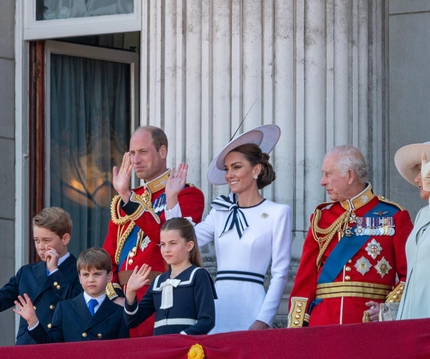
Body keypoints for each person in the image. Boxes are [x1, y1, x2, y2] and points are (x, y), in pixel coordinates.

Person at [165, 125, 292, 333]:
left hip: (253, 307)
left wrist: (264, 318)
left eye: (236, 167)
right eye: (227, 169)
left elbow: (280, 273)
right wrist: (172, 198)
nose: (229, 175)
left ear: (256, 170)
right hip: (218, 306)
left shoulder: (278, 213)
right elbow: (184, 239)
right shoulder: (220, 211)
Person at [287, 145, 413, 327]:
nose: (322, 181)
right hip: (322, 324)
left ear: (350, 176)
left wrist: (388, 309)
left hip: (369, 324)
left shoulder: (393, 215)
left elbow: (410, 274)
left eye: (328, 174)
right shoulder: (321, 218)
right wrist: (297, 328)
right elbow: (304, 280)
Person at [102, 125, 205, 336]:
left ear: (163, 152)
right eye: (132, 153)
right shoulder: (124, 199)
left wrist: (128, 199)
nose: (136, 160)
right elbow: (107, 257)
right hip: (122, 305)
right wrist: (116, 296)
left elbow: (167, 239)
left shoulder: (188, 195)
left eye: (143, 152)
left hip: (160, 302)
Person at [367, 141, 430, 321]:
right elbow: (417, 283)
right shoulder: (423, 214)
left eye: (422, 172)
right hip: (418, 322)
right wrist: (389, 312)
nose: (417, 179)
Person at [0, 207, 82, 345]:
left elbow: (77, 307)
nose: (41, 246)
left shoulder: (81, 270)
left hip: (60, 348)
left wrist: (54, 271)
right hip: (27, 347)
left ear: (65, 239)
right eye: (37, 240)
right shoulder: (27, 272)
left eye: (46, 240)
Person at [13, 247, 129, 343]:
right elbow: (51, 346)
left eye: (97, 274)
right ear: (79, 278)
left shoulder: (119, 313)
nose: (91, 279)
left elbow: (122, 354)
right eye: (85, 274)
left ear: (109, 276)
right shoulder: (64, 309)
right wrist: (33, 321)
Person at [124, 218, 216, 335]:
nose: (166, 250)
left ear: (189, 246)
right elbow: (132, 321)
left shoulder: (198, 275)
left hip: (187, 348)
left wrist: (180, 339)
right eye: (163, 244)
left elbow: (207, 321)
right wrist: (131, 292)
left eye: (173, 243)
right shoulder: (158, 281)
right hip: (160, 348)